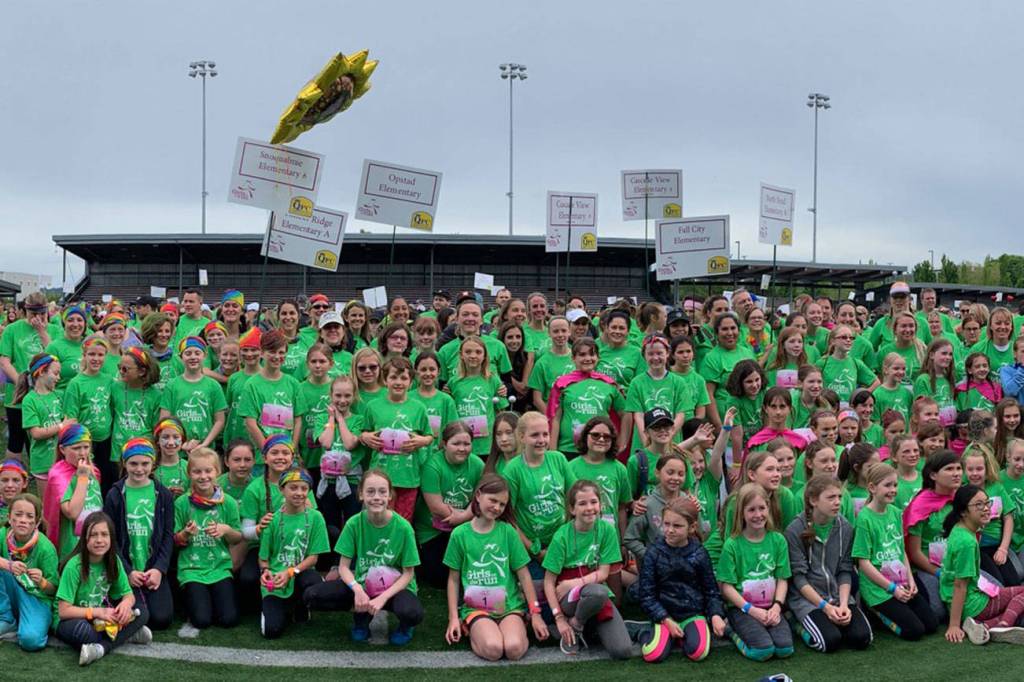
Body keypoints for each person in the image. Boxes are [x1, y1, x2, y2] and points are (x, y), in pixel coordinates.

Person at [305, 468, 424, 643]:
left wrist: (383, 597)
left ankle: (405, 626)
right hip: (364, 583)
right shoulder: (354, 523)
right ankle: (360, 619)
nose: (376, 497)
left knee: (412, 613)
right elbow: (344, 567)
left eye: (382, 491)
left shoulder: (404, 528)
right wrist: (358, 589)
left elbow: (408, 573)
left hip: (395, 588)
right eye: (370, 491)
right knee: (312, 595)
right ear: (361, 494)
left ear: (390, 495)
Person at [443, 475, 549, 661]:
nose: (497, 507)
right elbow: (453, 579)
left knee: (514, 649)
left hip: (510, 607)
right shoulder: (460, 534)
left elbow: (524, 575)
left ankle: (516, 628)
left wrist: (535, 614)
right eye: (493, 500)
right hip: (477, 609)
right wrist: (453, 618)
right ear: (478, 495)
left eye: (502, 504)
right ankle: (474, 631)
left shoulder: (508, 531)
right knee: (493, 649)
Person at [542, 480, 631, 659]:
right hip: (569, 597)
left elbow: (604, 573)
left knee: (623, 651)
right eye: (582, 503)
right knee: (598, 593)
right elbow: (549, 582)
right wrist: (558, 618)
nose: (589, 508)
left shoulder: (606, 529)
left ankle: (576, 625)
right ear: (572, 509)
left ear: (600, 504)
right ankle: (570, 624)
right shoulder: (562, 536)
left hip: (592, 589)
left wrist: (573, 583)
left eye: (593, 502)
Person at [785, 474, 872, 653]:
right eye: (831, 497)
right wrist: (825, 608)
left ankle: (836, 618)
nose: (837, 502)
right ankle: (796, 622)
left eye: (839, 497)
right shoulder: (795, 530)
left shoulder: (845, 527)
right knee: (829, 643)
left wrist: (843, 605)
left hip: (838, 595)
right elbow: (799, 579)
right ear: (813, 500)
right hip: (808, 600)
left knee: (863, 639)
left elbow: (845, 570)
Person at [635, 496, 726, 663]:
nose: (669, 530)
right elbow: (647, 595)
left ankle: (681, 635)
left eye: (677, 526)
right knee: (653, 654)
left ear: (691, 527)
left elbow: (711, 590)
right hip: (664, 614)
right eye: (666, 524)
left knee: (698, 652)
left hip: (692, 613)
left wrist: (715, 615)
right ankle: (643, 632)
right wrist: (665, 619)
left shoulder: (700, 553)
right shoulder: (653, 553)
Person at [854, 462, 937, 640]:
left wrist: (911, 581)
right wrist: (892, 588)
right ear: (872, 488)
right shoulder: (864, 518)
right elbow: (863, 562)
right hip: (879, 589)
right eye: (887, 485)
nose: (893, 490)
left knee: (931, 624)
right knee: (915, 631)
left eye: (895, 485)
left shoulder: (895, 512)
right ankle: (875, 613)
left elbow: (901, 551)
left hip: (901, 582)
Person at [56, 511, 150, 666]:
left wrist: (126, 605)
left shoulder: (114, 561)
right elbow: (63, 611)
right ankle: (125, 635)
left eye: (104, 535)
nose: (99, 540)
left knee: (143, 611)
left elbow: (129, 595)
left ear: (111, 538)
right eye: (93, 535)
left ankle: (101, 647)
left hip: (98, 618)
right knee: (85, 634)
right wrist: (98, 612)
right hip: (69, 620)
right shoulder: (74, 566)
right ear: (85, 538)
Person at [717, 482, 794, 662]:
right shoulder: (733, 544)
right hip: (742, 608)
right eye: (751, 510)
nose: (758, 515)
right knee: (762, 651)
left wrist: (777, 606)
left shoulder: (778, 540)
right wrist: (750, 609)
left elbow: (782, 578)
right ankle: (731, 631)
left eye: (762, 508)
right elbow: (726, 587)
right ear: (741, 513)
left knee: (785, 649)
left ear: (768, 508)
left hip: (771, 607)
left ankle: (788, 622)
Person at [104, 438, 175, 630]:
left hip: (152, 569)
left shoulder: (163, 494)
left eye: (145, 463)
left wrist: (159, 569)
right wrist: (127, 571)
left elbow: (169, 536)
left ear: (153, 464)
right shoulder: (115, 495)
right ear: (124, 464)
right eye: (133, 463)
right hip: (127, 569)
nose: (139, 469)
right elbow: (111, 539)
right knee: (133, 613)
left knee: (161, 619)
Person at [941, 484, 1024, 644]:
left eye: (987, 503)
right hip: (973, 605)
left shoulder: (959, 529)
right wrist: (953, 625)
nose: (986, 508)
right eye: (979, 505)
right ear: (964, 512)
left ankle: (985, 626)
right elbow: (960, 585)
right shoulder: (967, 543)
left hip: (966, 600)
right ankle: (1002, 625)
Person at [174, 447, 242, 631]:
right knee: (202, 620)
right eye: (197, 471)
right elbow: (175, 540)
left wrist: (226, 529)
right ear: (189, 473)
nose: (203, 476)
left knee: (229, 619)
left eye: (208, 471)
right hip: (192, 570)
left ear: (218, 472)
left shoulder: (228, 502)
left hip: (220, 568)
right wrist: (186, 534)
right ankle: (190, 602)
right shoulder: (181, 503)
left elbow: (237, 538)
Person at [359, 356, 433, 521]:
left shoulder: (418, 408)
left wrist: (422, 441)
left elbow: (429, 436)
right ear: (385, 380)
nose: (398, 382)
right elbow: (363, 432)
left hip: (408, 477)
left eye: (404, 378)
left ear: (411, 382)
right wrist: (366, 436)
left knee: (403, 522)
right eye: (393, 377)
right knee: (377, 519)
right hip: (380, 476)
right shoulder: (373, 407)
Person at [257, 468, 327, 639]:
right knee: (271, 631)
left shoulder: (315, 517)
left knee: (313, 580)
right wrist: (265, 572)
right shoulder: (272, 520)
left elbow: (313, 558)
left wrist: (290, 572)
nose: (299, 493)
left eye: (304, 488)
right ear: (282, 489)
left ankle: (301, 605)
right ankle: (281, 607)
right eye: (293, 488)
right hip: (276, 577)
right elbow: (263, 558)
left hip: (299, 573)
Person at [414, 422, 484, 589]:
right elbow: (436, 507)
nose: (462, 448)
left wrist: (463, 517)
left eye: (467, 444)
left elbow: (481, 499)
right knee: (439, 579)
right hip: (433, 530)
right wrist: (463, 516)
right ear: (445, 444)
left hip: (464, 525)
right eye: (456, 443)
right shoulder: (432, 466)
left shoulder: (478, 465)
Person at [502, 412, 577, 569]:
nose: (541, 440)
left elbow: (574, 497)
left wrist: (569, 534)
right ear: (521, 437)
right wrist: (534, 551)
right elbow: (508, 517)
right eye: (535, 435)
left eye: (545, 434)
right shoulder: (513, 469)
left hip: (563, 539)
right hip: (532, 547)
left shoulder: (558, 459)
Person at [904, 450, 962, 622]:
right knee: (938, 613)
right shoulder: (920, 505)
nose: (956, 473)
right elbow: (914, 553)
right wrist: (939, 573)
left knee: (994, 591)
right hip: (928, 568)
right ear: (933, 475)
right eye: (949, 469)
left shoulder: (962, 497)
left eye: (959, 468)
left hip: (958, 564)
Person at [548, 338, 628, 459]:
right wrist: (553, 452)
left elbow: (625, 414)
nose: (588, 358)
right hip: (568, 450)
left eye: (592, 354)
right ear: (573, 358)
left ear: (598, 357)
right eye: (582, 354)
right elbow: (555, 418)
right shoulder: (562, 384)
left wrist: (622, 442)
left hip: (600, 449)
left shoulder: (609, 384)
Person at [0, 493, 59, 651]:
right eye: (18, 515)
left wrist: (42, 581)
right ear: (9, 516)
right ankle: (6, 619)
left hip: (36, 599)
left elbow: (54, 590)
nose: (23, 520)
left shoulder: (46, 548)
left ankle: (27, 623)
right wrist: (7, 564)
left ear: (37, 521)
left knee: (30, 641)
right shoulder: (3, 535)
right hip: (9, 593)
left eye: (29, 516)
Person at [0, 292, 50, 461]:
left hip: (45, 394)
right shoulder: (12, 330)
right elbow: (5, 361)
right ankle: (12, 478)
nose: (37, 318)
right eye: (33, 314)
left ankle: (37, 474)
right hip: (18, 393)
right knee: (16, 439)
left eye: (41, 314)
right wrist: (21, 382)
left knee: (39, 438)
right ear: (24, 311)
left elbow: (55, 357)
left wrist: (42, 331)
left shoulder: (55, 329)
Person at [63, 336, 115, 496]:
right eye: (92, 354)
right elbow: (71, 417)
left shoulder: (109, 380)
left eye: (100, 355)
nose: (96, 359)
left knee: (107, 479)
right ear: (84, 355)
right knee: (89, 479)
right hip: (86, 442)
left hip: (106, 440)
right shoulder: (76, 383)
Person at [238, 329, 304, 454]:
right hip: (261, 457)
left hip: (287, 455)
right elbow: (250, 423)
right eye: (272, 352)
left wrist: (291, 450)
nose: (277, 357)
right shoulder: (252, 385)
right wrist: (268, 451)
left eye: (281, 353)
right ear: (262, 353)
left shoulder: (293, 384)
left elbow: (298, 420)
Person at [962, 446, 1020, 587]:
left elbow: (1008, 518)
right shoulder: (962, 490)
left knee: (1015, 583)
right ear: (964, 470)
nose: (975, 473)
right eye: (970, 469)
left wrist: (1003, 549)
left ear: (987, 469)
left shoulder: (996, 487)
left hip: (996, 545)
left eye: (979, 469)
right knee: (998, 584)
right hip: (976, 548)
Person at [159, 337, 227, 453]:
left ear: (204, 356)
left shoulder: (213, 385)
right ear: (181, 357)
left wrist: (205, 444)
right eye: (188, 353)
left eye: (197, 353)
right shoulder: (172, 385)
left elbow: (219, 420)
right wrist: (178, 443)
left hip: (205, 450)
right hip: (177, 449)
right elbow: (164, 419)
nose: (193, 357)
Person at [17, 354, 69, 501]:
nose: (59, 378)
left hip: (62, 461)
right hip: (42, 462)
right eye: (55, 373)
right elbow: (36, 433)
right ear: (41, 372)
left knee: (63, 503)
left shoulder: (59, 395)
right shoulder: (30, 400)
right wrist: (61, 426)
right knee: (47, 507)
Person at [447, 337, 508, 458]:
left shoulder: (492, 380)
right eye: (468, 352)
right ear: (461, 355)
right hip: (463, 444)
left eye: (478, 352)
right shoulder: (453, 382)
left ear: (485, 355)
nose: (473, 356)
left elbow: (502, 412)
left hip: (487, 445)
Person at [527, 317, 574, 413]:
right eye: (556, 331)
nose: (560, 335)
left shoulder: (578, 358)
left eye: (563, 331)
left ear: (569, 332)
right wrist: (551, 418)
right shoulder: (542, 363)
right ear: (549, 333)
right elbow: (537, 400)